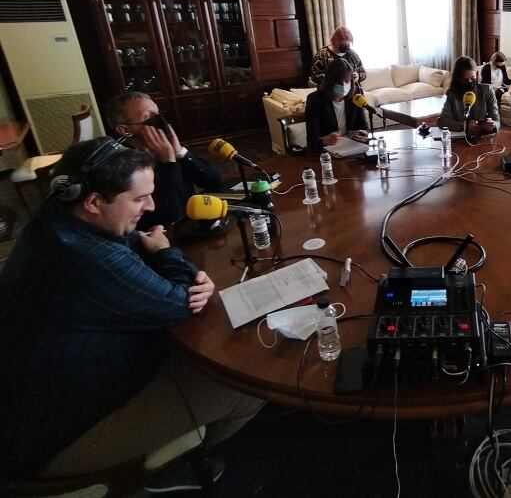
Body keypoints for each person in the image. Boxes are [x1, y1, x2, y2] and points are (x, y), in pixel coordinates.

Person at [0, 138, 263, 482]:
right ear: (93, 201)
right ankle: (172, 468)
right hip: (54, 436)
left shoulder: (56, 220)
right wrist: (166, 253)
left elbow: (128, 242)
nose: (151, 207)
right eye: (139, 198)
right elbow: (182, 302)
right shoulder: (87, 258)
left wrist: (145, 244)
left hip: (35, 396)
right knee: (247, 383)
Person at [105, 91, 222, 231]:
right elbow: (167, 215)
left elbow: (213, 180)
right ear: (124, 130)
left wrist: (180, 152)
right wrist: (168, 162)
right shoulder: (121, 164)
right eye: (148, 116)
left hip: (192, 223)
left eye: (158, 113)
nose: (159, 120)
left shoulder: (164, 145)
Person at [304, 58, 369, 150]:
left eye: (347, 81)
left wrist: (364, 135)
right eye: (339, 82)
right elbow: (312, 140)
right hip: (327, 151)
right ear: (330, 81)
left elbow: (363, 127)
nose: (343, 86)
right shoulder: (315, 99)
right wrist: (323, 140)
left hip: (352, 148)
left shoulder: (356, 95)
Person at [438, 55, 500, 136]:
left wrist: (492, 125)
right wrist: (464, 126)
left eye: (473, 78)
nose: (470, 82)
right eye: (465, 80)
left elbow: (496, 120)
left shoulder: (487, 91)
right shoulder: (452, 93)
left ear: (477, 75)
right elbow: (442, 121)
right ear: (458, 79)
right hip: (461, 139)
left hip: (482, 138)